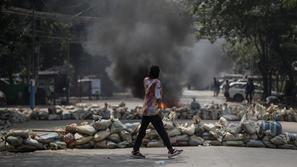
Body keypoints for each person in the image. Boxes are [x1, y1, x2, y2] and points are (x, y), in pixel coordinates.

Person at [131, 65, 183, 159]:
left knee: (142, 132)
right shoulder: (157, 82)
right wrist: (159, 107)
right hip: (153, 111)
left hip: (146, 109)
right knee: (162, 131)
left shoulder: (145, 80)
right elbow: (158, 96)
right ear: (157, 73)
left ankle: (135, 150)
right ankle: (171, 150)